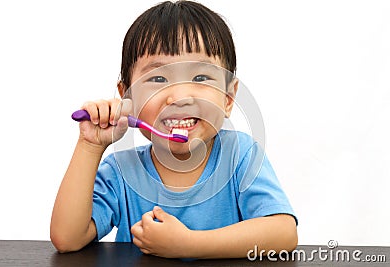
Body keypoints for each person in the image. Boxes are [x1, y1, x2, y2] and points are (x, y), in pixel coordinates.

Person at [50, 0, 298, 259]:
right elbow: (67, 239)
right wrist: (90, 146)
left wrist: (189, 244)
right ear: (127, 97)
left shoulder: (240, 155)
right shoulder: (121, 171)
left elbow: (283, 232)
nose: (180, 97)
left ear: (228, 98)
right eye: (158, 79)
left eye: (201, 78)